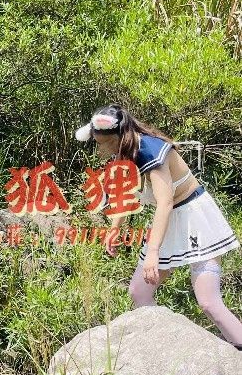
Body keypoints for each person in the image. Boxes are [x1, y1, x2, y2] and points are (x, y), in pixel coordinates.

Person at [75, 104, 242, 349]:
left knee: (209, 302)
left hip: (195, 219)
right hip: (169, 221)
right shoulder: (126, 152)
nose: (100, 149)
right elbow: (127, 195)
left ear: (117, 138)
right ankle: (172, 347)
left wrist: (153, 252)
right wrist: (115, 229)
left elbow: (165, 202)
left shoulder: (149, 150)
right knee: (139, 292)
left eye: (102, 143)